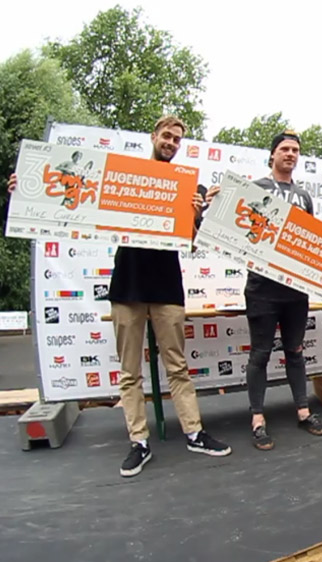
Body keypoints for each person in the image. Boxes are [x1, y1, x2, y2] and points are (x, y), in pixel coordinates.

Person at [7, 116, 232, 476]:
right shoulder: (121, 177)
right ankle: (139, 442)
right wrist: (25, 190)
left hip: (167, 287)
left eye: (177, 139)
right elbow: (69, 200)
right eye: (167, 136)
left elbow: (189, 241)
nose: (172, 142)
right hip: (127, 285)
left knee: (177, 366)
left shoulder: (190, 187)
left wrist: (195, 212)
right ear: (154, 136)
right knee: (130, 373)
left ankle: (194, 432)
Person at [235, 131, 322, 450]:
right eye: (284, 149)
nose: (290, 154)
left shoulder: (304, 197)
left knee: (295, 351)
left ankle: (303, 411)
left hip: (295, 290)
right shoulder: (256, 189)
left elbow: (312, 243)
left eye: (295, 150)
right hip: (262, 287)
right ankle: (257, 418)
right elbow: (239, 228)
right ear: (272, 154)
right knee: (260, 353)